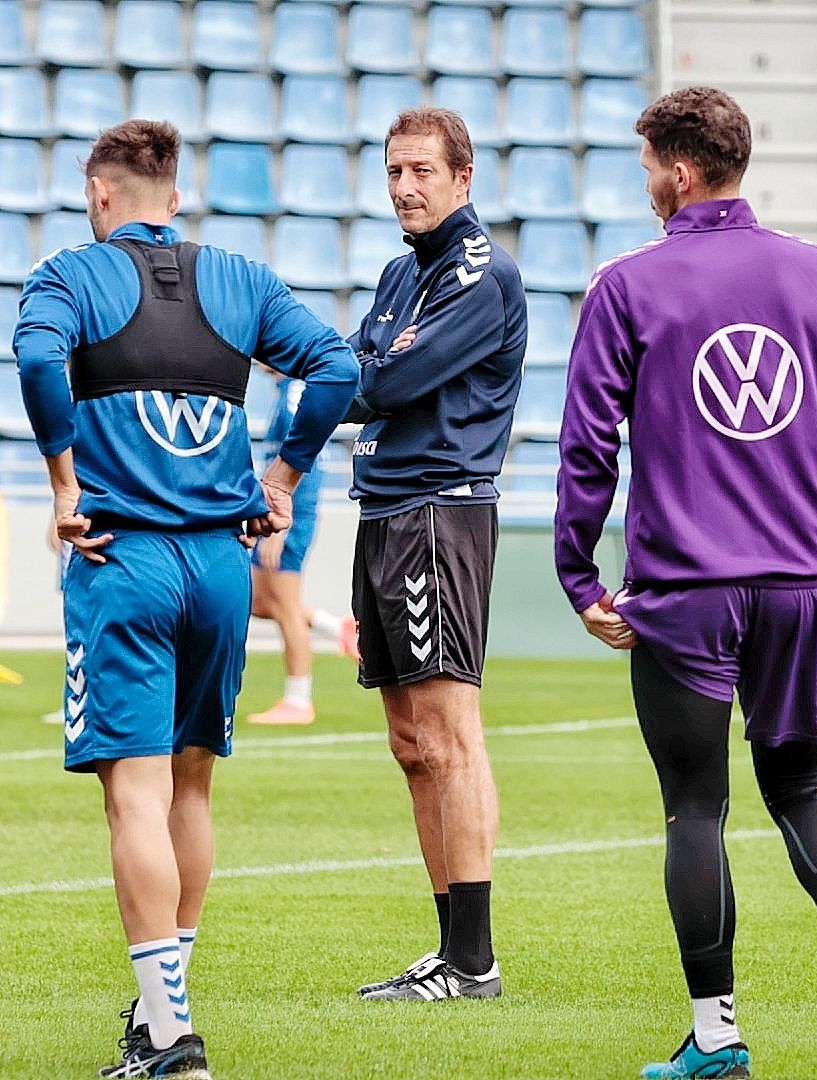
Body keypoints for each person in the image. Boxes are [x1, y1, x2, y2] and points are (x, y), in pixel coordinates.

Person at [554, 86, 817, 1080]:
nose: (646, 191)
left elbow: (588, 446)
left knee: (695, 808)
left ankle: (716, 1035)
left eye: (647, 173)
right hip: (801, 585)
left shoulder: (627, 285)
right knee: (800, 784)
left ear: (678, 171)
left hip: (684, 589)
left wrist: (577, 569)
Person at [14, 119, 358, 1079]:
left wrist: (62, 484)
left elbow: (39, 361)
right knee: (192, 783)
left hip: (124, 558)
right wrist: (283, 476)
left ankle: (169, 1035)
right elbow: (337, 366)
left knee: (135, 791)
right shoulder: (242, 280)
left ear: (99, 196)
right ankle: (159, 1010)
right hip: (220, 568)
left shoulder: (69, 277)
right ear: (176, 197)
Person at [347, 107, 526, 1002]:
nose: (404, 188)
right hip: (384, 509)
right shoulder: (396, 274)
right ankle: (449, 945)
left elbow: (382, 379)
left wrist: (365, 369)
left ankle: (475, 960)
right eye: (393, 172)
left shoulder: (478, 273)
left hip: (438, 512)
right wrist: (360, 369)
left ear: (463, 179)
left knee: (449, 736)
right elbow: (357, 372)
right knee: (410, 743)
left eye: (421, 171)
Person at [246, 367, 362, 727]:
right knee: (259, 602)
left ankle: (298, 700)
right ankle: (337, 628)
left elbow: (304, 455)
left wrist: (280, 528)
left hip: (290, 514)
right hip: (281, 511)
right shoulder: (285, 391)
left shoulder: (296, 391)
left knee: (283, 607)